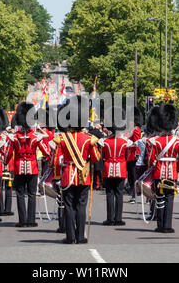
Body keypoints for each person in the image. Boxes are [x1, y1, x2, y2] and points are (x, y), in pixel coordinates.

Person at [53, 96, 101, 244]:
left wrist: (56, 176)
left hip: (68, 176)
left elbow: (55, 160)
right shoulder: (89, 138)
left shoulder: (62, 138)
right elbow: (96, 158)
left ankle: (70, 236)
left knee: (68, 205)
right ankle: (80, 237)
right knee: (81, 205)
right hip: (83, 175)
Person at [5, 102, 50, 228]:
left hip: (18, 168)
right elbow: (46, 151)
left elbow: (8, 153)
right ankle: (31, 220)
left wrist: (5, 162)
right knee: (31, 194)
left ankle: (22, 220)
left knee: (20, 194)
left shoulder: (14, 137)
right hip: (33, 167)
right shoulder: (36, 136)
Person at [148, 104, 179, 233]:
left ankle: (160, 225)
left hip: (159, 172)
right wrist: (176, 169)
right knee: (170, 199)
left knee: (160, 199)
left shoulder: (156, 141)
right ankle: (168, 225)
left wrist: (152, 169)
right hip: (172, 174)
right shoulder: (177, 141)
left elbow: (151, 159)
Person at [99, 107, 131, 226]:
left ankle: (110, 218)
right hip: (121, 169)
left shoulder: (105, 142)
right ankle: (118, 218)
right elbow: (127, 157)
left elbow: (102, 156)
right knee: (119, 193)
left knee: (109, 193)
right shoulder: (126, 142)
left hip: (108, 169)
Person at [0, 110, 14, 217]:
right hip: (9, 163)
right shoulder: (10, 136)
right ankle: (7, 209)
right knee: (8, 187)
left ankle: (0, 208)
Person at [126, 107, 142, 199]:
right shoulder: (131, 129)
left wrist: (137, 154)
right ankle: (133, 190)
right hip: (129, 155)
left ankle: (134, 192)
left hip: (133, 155)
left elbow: (137, 143)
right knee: (130, 175)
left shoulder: (135, 129)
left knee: (132, 175)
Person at [88, 124, 104, 190]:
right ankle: (98, 185)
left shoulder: (89, 132)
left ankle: (92, 184)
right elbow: (102, 141)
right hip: (97, 151)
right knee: (98, 170)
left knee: (92, 170)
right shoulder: (97, 132)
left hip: (89, 153)